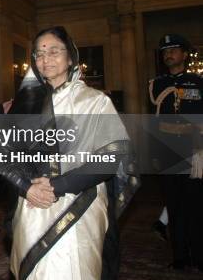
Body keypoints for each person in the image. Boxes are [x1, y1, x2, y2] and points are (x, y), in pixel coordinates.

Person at [8, 26, 130, 280]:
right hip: (33, 202)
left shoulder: (94, 101)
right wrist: (25, 187)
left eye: (54, 51)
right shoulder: (25, 104)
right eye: (39, 54)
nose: (45, 59)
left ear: (71, 57)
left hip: (79, 200)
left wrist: (58, 185)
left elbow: (110, 156)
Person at [148, 34, 203, 272]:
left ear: (184, 54)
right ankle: (180, 255)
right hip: (169, 150)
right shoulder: (156, 84)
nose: (168, 54)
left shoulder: (198, 82)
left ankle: (199, 256)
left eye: (173, 49)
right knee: (174, 205)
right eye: (165, 51)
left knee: (196, 206)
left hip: (194, 151)